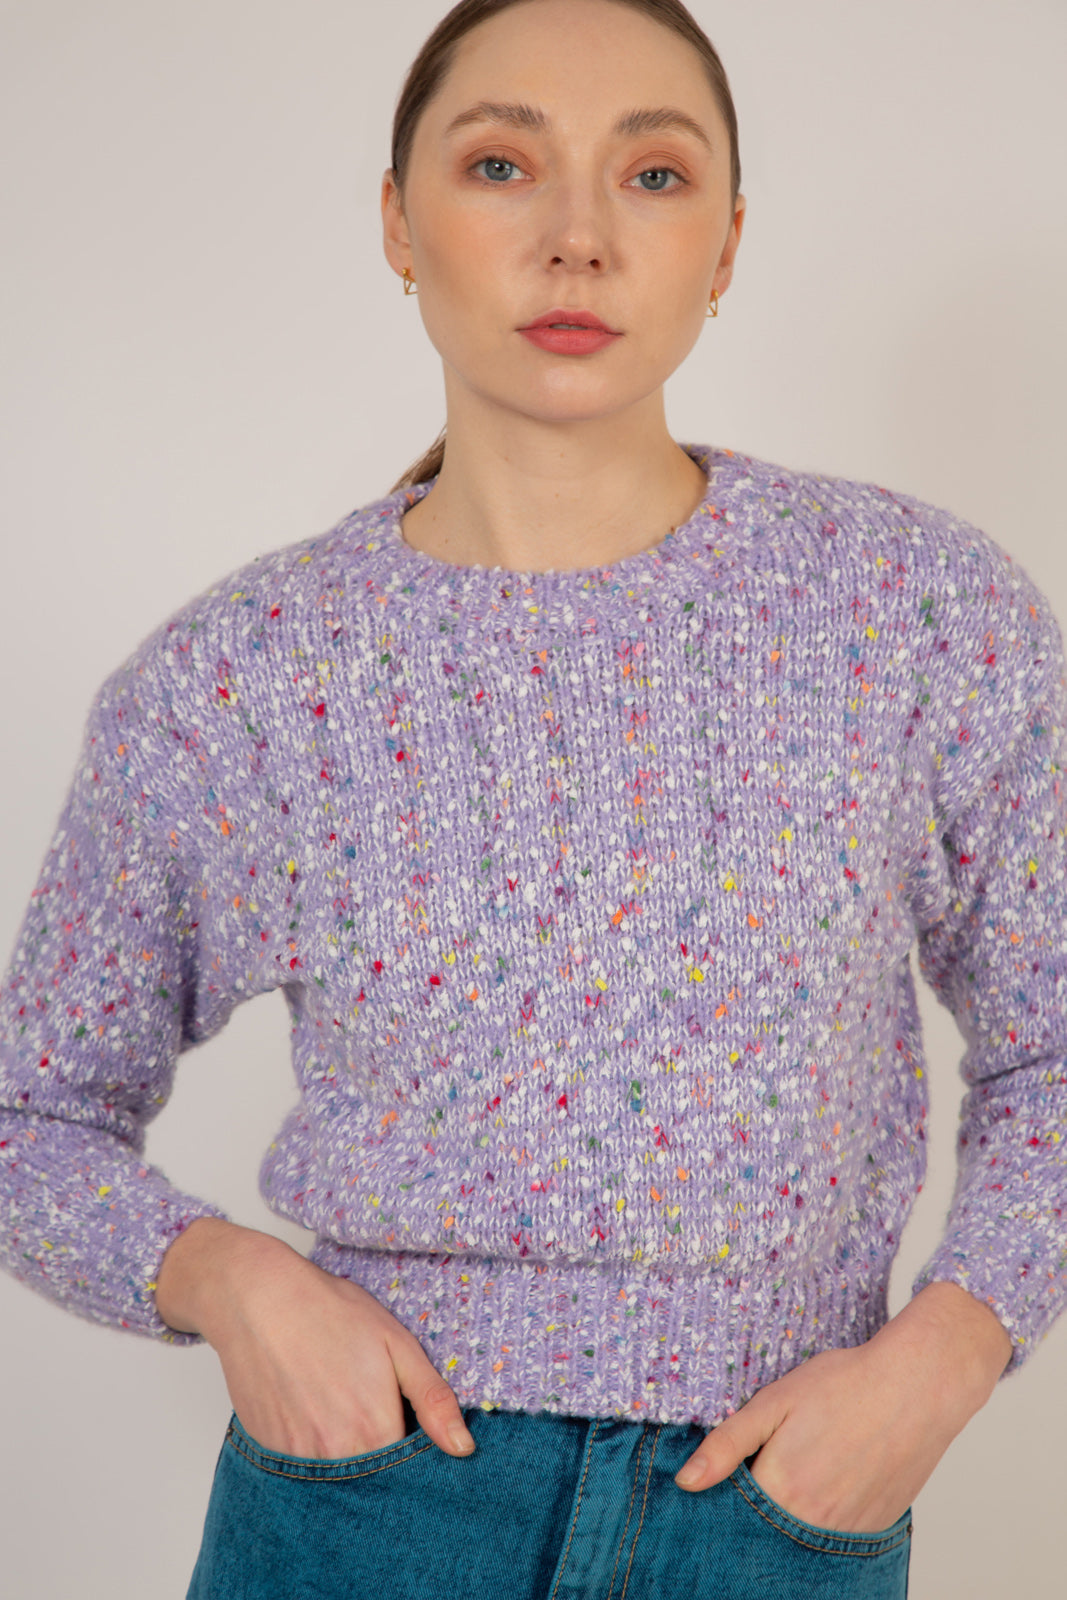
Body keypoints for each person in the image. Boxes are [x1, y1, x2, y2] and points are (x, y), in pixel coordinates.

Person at [1, 1, 1064, 1596]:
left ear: (727, 242)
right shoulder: (242, 679)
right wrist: (226, 1282)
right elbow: (31, 1116)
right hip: (365, 1508)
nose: (578, 237)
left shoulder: (915, 611)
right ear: (397, 222)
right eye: (502, 164)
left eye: (653, 174)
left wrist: (948, 1355)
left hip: (778, 1512)